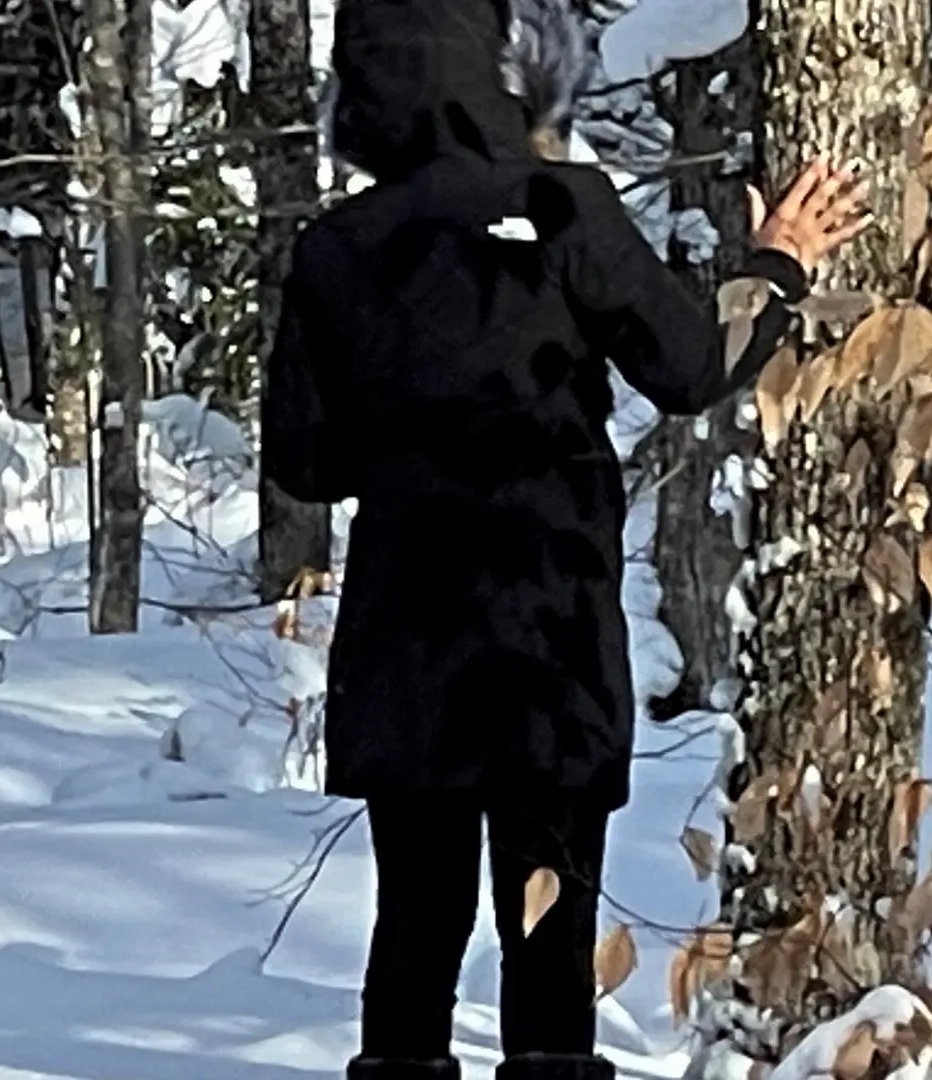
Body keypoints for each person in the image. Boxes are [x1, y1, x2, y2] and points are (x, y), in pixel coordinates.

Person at [261, 0, 870, 1076]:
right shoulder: (561, 206)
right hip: (548, 639)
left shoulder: (334, 249)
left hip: (404, 644)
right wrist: (776, 264)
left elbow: (306, 465)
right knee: (547, 924)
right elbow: (689, 368)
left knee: (416, 921)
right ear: (500, 68)